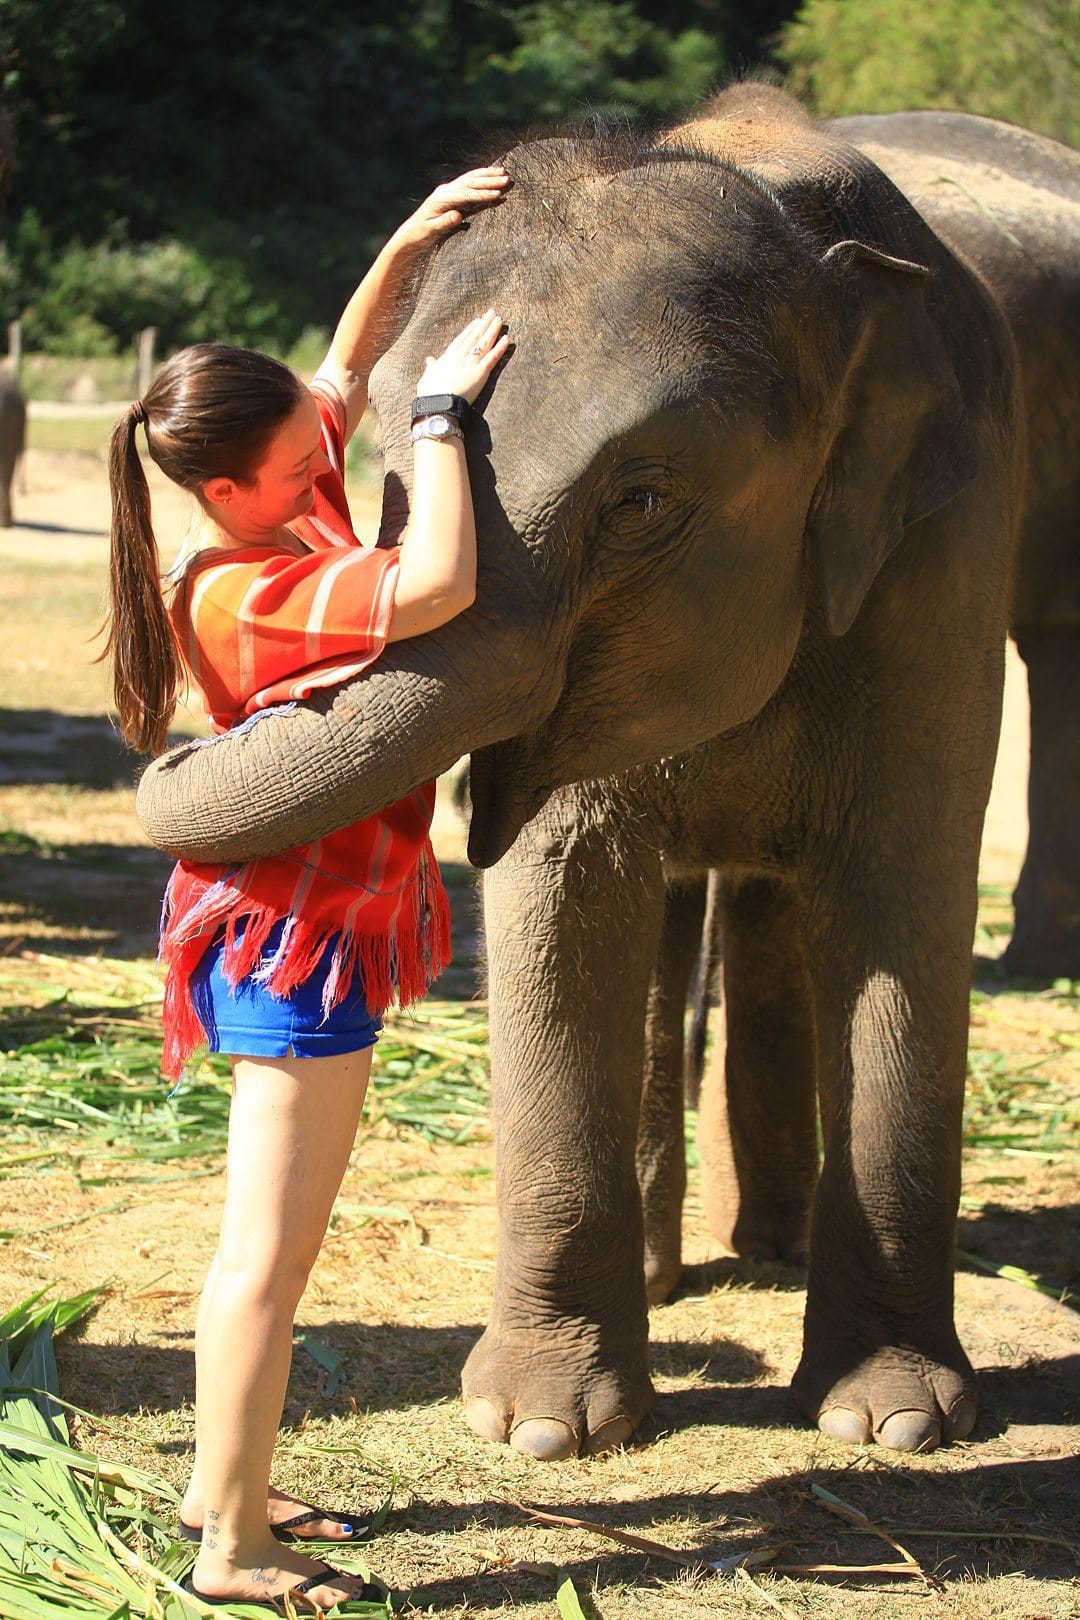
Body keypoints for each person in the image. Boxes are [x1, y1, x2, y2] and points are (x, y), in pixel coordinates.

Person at [103, 168, 510, 1611]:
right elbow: (446, 583)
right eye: (297, 462)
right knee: (265, 1264)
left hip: (306, 924)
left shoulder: (286, 498)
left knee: (277, 1249)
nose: (321, 456)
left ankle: (234, 1482)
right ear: (230, 492)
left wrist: (409, 241)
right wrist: (447, 418)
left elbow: (334, 368)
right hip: (293, 944)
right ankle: (229, 1549)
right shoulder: (247, 587)